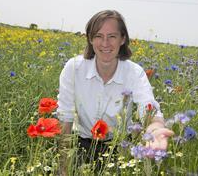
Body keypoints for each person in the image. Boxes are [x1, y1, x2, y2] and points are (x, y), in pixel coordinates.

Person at [57, 10, 174, 173]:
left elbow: (147, 107)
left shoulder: (134, 72)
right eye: (98, 36)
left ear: (123, 39)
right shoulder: (74, 68)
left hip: (118, 148)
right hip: (81, 145)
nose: (105, 43)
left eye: (112, 36)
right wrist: (64, 167)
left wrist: (155, 127)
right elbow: (65, 118)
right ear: (90, 39)